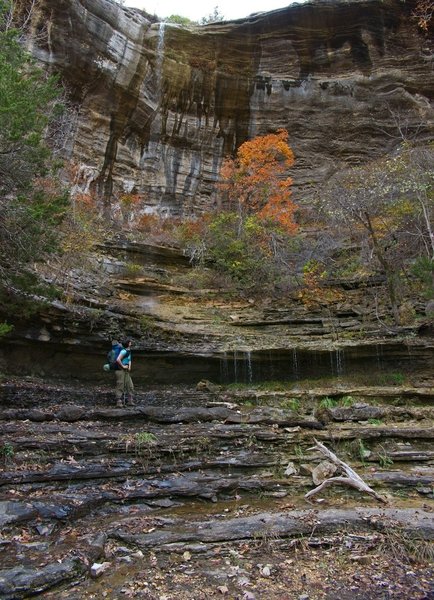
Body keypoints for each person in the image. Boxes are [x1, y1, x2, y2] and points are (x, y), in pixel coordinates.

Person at [115, 339, 135, 407]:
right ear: (128, 344)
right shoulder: (123, 351)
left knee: (130, 385)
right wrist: (123, 366)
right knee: (120, 384)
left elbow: (129, 359)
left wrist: (129, 367)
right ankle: (119, 402)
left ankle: (130, 400)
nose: (131, 343)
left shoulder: (128, 351)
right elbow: (118, 359)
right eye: (130, 342)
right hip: (120, 370)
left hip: (126, 370)